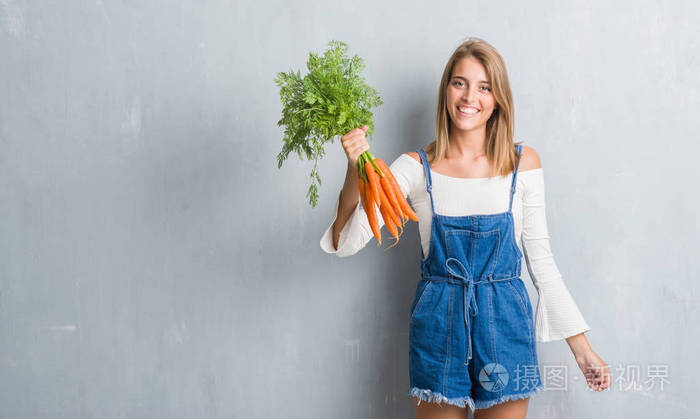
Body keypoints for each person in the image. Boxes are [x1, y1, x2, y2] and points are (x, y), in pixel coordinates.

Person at [320, 37, 610, 418]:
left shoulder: (523, 164)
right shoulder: (413, 167)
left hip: (505, 324)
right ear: (446, 91)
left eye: (484, 87)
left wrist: (582, 348)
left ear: (498, 99)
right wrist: (356, 169)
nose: (469, 96)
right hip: (438, 325)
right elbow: (344, 242)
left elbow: (541, 262)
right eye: (460, 83)